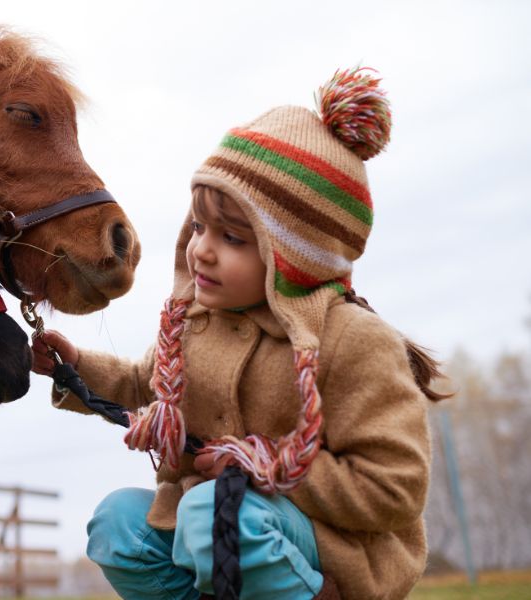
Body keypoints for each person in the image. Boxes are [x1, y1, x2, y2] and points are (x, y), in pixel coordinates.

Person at [31, 67, 448, 600]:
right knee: (118, 524)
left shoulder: (352, 341)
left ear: (294, 254)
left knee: (211, 511)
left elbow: (396, 485)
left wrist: (263, 466)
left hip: (330, 549)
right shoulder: (195, 324)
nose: (201, 248)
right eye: (199, 227)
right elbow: (143, 382)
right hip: (215, 527)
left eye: (232, 237)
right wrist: (73, 367)